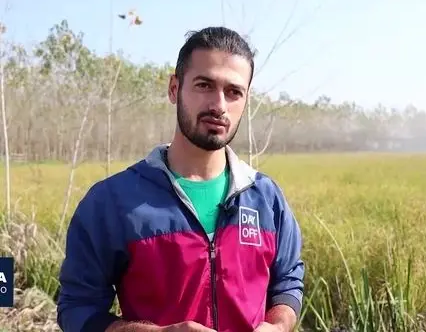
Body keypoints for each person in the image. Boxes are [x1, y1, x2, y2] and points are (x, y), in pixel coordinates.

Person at [56, 26, 305, 332]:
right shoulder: (112, 202)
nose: (219, 105)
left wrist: (279, 325)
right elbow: (77, 309)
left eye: (233, 92)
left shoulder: (267, 199)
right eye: (204, 85)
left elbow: (288, 281)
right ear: (174, 88)